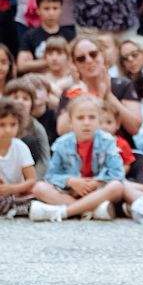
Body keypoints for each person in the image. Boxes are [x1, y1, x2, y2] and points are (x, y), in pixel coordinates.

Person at [30, 91, 125, 221]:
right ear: (71, 122)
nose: (86, 123)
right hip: (71, 192)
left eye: (92, 117)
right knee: (39, 188)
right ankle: (91, 210)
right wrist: (70, 181)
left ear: (99, 120)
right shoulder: (62, 143)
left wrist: (96, 182)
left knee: (117, 187)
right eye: (80, 118)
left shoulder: (108, 141)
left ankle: (65, 212)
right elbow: (51, 176)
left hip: (98, 191)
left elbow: (118, 173)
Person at [0, 94, 37, 216]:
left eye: (13, 124)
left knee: (38, 191)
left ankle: (12, 206)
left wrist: (12, 188)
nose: (8, 130)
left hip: (15, 193)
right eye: (2, 125)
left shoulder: (20, 146)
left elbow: (31, 180)